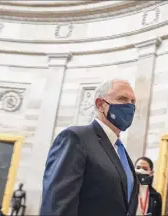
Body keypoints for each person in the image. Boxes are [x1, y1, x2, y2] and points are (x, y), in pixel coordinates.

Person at [40, 79, 139, 216]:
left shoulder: (120, 151)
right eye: (122, 99)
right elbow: (57, 206)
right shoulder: (76, 138)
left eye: (133, 101)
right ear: (100, 105)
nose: (130, 106)